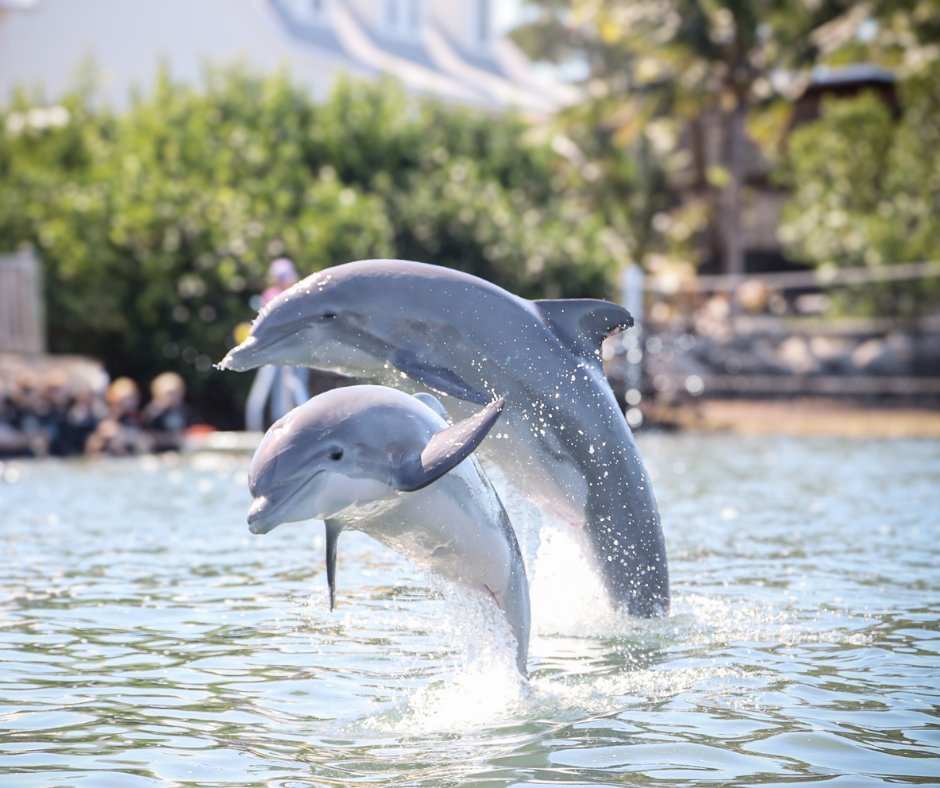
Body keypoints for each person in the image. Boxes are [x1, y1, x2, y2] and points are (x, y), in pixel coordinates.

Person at [244, 258, 310, 431]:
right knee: (269, 395)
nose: (285, 281)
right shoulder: (272, 295)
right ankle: (263, 430)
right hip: (274, 353)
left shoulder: (299, 293)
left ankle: (302, 426)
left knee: (295, 390)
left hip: (295, 353)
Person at [142, 372, 188, 452]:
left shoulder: (182, 410)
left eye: (177, 392)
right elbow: (146, 436)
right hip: (156, 454)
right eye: (170, 393)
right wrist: (171, 439)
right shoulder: (153, 412)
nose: (174, 396)